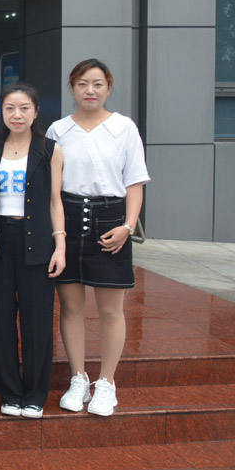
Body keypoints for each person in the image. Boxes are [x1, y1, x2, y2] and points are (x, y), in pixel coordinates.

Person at [46, 59, 149, 417]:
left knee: (110, 309)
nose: (90, 90)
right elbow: (53, 188)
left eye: (97, 84)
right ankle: (78, 377)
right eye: (82, 84)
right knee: (71, 306)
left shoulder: (124, 128)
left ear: (109, 87)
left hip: (111, 218)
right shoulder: (58, 130)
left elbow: (134, 182)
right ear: (72, 88)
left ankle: (106, 382)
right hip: (69, 217)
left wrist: (128, 227)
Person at [0, 82, 66, 420]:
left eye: (24, 108)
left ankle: (34, 394)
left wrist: (60, 245)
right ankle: (9, 391)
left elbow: (55, 201)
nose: (16, 115)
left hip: (38, 239)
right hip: (0, 239)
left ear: (36, 112)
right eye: (9, 108)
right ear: (2, 112)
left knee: (37, 320)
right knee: (1, 318)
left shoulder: (50, 150)